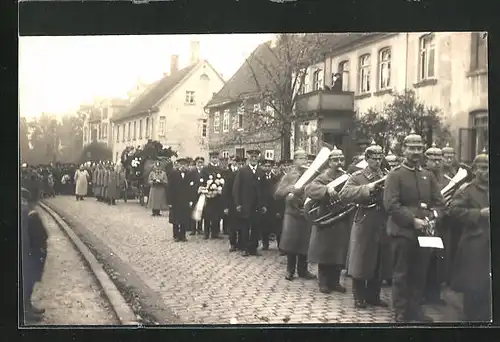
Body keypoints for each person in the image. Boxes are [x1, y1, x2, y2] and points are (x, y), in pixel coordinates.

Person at [383, 131, 445, 322]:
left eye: (419, 148)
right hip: (403, 232)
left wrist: (434, 217)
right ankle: (400, 311)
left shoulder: (428, 175)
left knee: (420, 272)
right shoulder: (395, 175)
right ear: (404, 149)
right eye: (411, 148)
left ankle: (415, 309)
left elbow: (439, 202)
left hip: (425, 233)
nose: (416, 152)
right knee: (402, 273)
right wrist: (412, 220)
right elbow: (391, 205)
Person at [339, 142, 391, 307]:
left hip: (382, 220)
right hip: (364, 219)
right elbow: (344, 194)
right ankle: (359, 296)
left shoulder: (387, 175)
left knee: (378, 259)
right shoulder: (357, 176)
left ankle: (373, 296)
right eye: (373, 158)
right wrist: (366, 188)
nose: (377, 161)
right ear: (367, 159)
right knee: (361, 260)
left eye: (379, 158)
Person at [448, 149, 491, 322]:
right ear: (473, 170)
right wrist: (478, 213)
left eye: (488, 167)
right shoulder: (466, 190)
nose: (485, 171)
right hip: (474, 243)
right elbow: (454, 210)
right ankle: (471, 322)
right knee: (474, 286)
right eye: (481, 168)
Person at [305, 146, 350, 293]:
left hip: (341, 217)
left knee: (338, 251)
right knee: (325, 252)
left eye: (341, 160)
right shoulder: (323, 177)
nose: (338, 163)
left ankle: (335, 281)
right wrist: (326, 189)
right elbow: (309, 189)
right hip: (325, 218)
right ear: (329, 162)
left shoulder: (346, 176)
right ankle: (323, 281)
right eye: (335, 160)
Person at [275, 149, 316, 280]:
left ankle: (303, 270)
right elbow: (277, 193)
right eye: (300, 158)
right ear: (295, 161)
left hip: (305, 212)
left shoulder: (311, 175)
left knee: (304, 241)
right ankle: (290, 270)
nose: (304, 161)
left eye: (305, 158)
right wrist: (288, 189)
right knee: (291, 242)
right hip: (292, 213)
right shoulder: (288, 176)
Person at [422, 143, 448, 305]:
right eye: (433, 160)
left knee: (438, 259)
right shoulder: (423, 175)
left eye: (439, 159)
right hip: (425, 221)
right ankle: (422, 294)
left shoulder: (445, 178)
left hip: (440, 222)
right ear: (426, 161)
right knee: (425, 259)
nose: (437, 163)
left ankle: (434, 294)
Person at [21, 187, 48, 324]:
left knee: (29, 281)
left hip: (31, 252)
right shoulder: (26, 215)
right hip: (27, 254)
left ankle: (27, 305)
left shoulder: (27, 213)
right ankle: (24, 310)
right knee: (26, 281)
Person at [233, 149, 267, 256]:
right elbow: (236, 188)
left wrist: (264, 204)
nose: (253, 159)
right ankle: (245, 248)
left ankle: (254, 248)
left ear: (258, 158)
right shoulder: (242, 171)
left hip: (257, 205)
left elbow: (265, 190)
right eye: (251, 157)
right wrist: (238, 204)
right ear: (248, 158)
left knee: (256, 227)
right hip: (245, 204)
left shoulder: (261, 172)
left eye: (255, 157)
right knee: (245, 227)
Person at [168, 158, 197, 242]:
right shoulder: (173, 174)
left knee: (184, 218)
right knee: (176, 218)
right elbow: (170, 188)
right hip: (175, 200)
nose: (183, 166)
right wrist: (170, 201)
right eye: (181, 165)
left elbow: (191, 188)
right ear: (178, 165)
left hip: (185, 200)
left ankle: (183, 235)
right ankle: (176, 235)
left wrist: (191, 200)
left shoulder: (189, 174)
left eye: (185, 165)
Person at [201, 152, 225, 240]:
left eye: (216, 158)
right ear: (210, 158)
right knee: (207, 214)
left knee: (217, 214)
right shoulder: (205, 169)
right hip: (208, 195)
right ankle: (206, 233)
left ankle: (215, 232)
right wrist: (206, 189)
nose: (215, 159)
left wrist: (220, 188)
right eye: (213, 158)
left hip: (218, 195)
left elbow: (223, 180)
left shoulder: (220, 169)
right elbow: (202, 180)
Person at [223, 156, 242, 252]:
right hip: (231, 203)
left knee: (241, 224)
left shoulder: (244, 174)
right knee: (232, 225)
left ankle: (241, 243)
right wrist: (226, 206)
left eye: (239, 163)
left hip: (242, 203)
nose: (237, 164)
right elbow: (225, 191)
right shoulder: (229, 174)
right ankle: (233, 243)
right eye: (235, 162)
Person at [260, 158, 279, 251]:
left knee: (276, 225)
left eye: (269, 166)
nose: (267, 168)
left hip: (273, 205)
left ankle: (280, 245)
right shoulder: (260, 177)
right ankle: (265, 243)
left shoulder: (275, 178)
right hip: (264, 205)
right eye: (266, 166)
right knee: (264, 225)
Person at [188, 156, 205, 235]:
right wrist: (196, 189)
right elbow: (190, 184)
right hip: (194, 194)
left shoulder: (204, 172)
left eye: (201, 162)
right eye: (198, 162)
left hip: (202, 195)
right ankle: (193, 229)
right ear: (196, 163)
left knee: (201, 210)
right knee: (193, 211)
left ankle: (200, 228)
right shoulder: (192, 172)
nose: (200, 164)